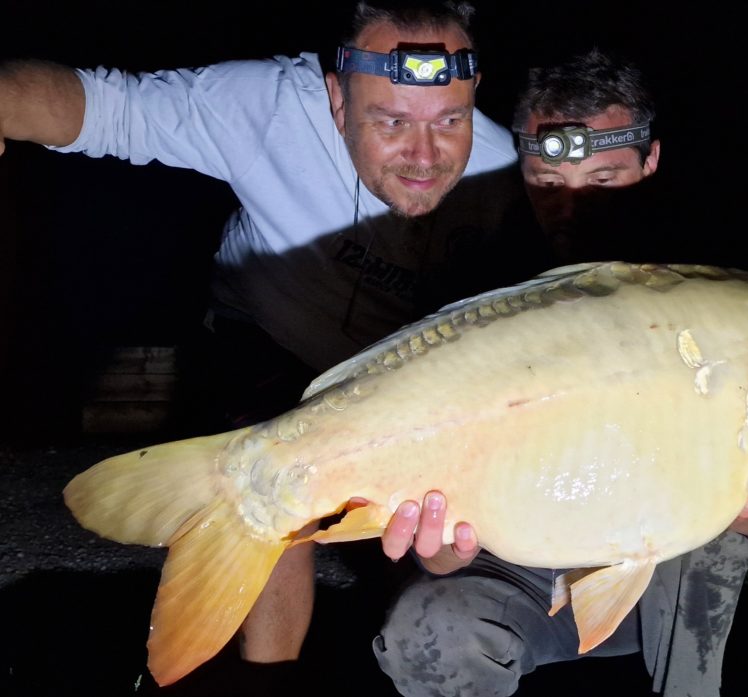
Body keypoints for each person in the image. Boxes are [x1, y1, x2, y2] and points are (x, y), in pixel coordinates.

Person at [0, 0, 522, 684]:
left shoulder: (506, 176)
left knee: (434, 528)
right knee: (274, 482)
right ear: (338, 99)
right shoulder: (268, 106)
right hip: (268, 333)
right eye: (391, 121)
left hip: (399, 369)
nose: (425, 157)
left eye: (450, 120)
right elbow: (106, 107)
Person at [371, 49, 748, 697]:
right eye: (548, 181)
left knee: (712, 548)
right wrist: (438, 544)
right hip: (523, 572)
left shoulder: (717, 291)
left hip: (659, 582)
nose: (573, 206)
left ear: (650, 160)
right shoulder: (475, 291)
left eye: (603, 180)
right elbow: (437, 551)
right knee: (424, 629)